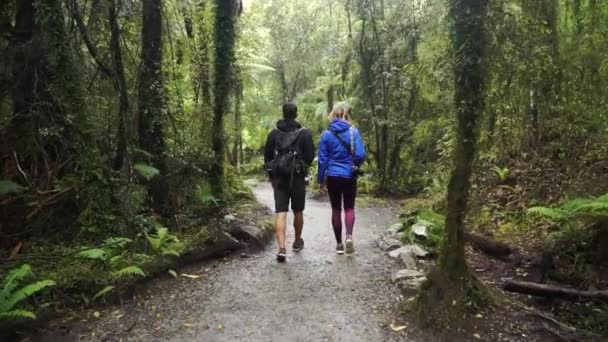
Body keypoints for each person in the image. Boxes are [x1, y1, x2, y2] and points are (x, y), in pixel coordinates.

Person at [264, 103, 315, 262]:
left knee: (281, 212)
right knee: (298, 210)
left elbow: (267, 157)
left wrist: (272, 172)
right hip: (298, 177)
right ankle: (297, 241)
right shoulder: (304, 133)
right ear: (296, 114)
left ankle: (281, 249)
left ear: (283, 113)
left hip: (279, 177)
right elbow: (310, 155)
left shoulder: (273, 133)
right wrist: (301, 166)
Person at [318, 104, 366, 255]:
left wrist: (321, 180)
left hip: (332, 176)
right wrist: (354, 165)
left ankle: (339, 244)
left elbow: (322, 160)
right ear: (346, 116)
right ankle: (349, 237)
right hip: (349, 175)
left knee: (336, 209)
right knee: (350, 208)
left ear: (333, 115)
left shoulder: (326, 135)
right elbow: (360, 155)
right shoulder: (354, 132)